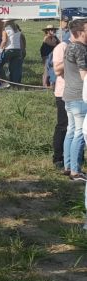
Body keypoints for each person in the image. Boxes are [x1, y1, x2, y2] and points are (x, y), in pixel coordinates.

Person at [62, 19, 87, 181]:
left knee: (71, 131)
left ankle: (68, 166)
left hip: (69, 95)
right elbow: (85, 76)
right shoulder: (81, 49)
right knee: (79, 133)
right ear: (80, 32)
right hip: (80, 96)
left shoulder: (69, 46)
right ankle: (75, 172)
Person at [52, 27, 70, 172]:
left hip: (80, 92)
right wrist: (73, 56)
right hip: (63, 93)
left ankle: (75, 156)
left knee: (77, 128)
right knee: (63, 126)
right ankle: (58, 157)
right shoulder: (62, 47)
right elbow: (57, 70)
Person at [0, 20, 24, 86]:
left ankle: (4, 82)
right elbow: (21, 43)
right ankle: (15, 84)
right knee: (15, 68)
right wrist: (21, 51)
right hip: (18, 50)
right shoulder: (17, 30)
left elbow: (4, 41)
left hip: (9, 50)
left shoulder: (5, 29)